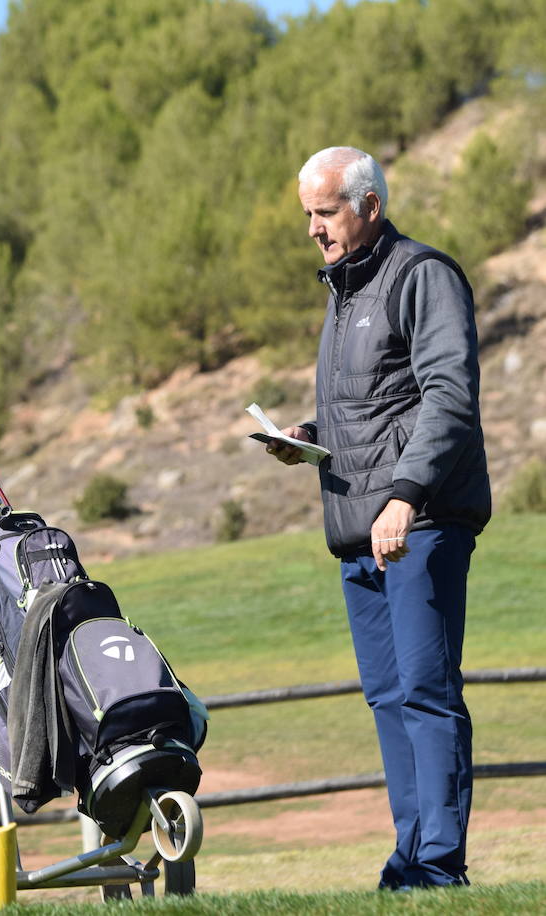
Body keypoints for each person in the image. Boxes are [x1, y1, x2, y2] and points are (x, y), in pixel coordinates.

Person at [266, 146, 491, 890]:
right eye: (307, 215)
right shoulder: (344, 293)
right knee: (390, 699)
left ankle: (438, 864)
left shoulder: (423, 275)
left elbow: (447, 399)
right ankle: (409, 858)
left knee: (427, 693)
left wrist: (404, 495)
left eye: (324, 213)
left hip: (417, 525)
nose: (312, 230)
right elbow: (375, 408)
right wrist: (307, 437)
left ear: (368, 206)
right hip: (359, 533)